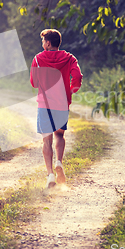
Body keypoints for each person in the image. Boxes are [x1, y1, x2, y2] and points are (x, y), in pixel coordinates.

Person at [30, 29, 83, 188]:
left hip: (45, 104)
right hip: (61, 104)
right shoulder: (69, 58)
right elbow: (78, 76)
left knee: (47, 140)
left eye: (43, 42)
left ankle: (50, 175)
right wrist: (73, 88)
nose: (42, 44)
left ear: (47, 43)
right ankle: (59, 162)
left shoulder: (38, 59)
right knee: (59, 135)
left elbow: (34, 83)